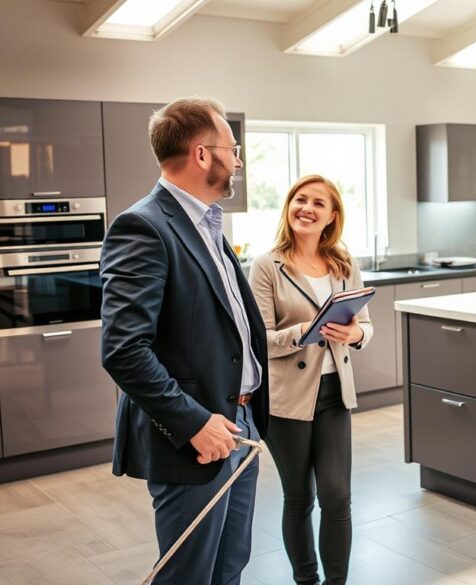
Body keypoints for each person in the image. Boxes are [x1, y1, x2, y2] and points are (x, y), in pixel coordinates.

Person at [100, 96, 269, 585]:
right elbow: (124, 350)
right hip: (193, 438)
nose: (237, 160)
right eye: (232, 149)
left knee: (229, 567)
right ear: (201, 154)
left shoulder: (209, 224)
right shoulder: (144, 226)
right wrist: (195, 423)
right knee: (188, 576)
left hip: (238, 425)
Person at [248, 175, 373, 585]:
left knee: (337, 496)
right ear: (288, 207)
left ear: (332, 216)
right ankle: (307, 581)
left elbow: (365, 326)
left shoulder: (344, 263)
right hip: (288, 399)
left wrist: (354, 334)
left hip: (336, 393)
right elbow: (258, 340)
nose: (307, 208)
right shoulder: (267, 266)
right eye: (300, 199)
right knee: (299, 497)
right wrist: (304, 331)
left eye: (318, 203)